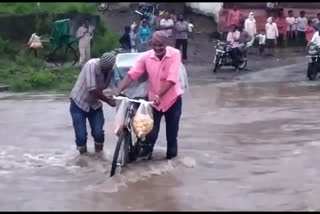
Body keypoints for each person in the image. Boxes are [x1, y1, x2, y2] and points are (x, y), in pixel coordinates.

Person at [113, 31, 183, 160]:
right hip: (153, 102)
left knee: (172, 136)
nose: (157, 48)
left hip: (172, 100)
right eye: (154, 45)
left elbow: (172, 79)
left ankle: (171, 165)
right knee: (150, 134)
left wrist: (159, 96)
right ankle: (145, 160)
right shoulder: (146, 57)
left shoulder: (175, 54)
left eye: (160, 45)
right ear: (151, 44)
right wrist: (118, 90)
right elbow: (132, 75)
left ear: (166, 44)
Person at [70, 52, 116, 155]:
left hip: (94, 104)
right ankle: (83, 160)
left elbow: (114, 87)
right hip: (79, 103)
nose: (105, 70)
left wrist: (119, 96)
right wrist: (108, 101)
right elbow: (92, 89)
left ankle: (99, 157)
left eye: (108, 68)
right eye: (104, 68)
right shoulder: (92, 65)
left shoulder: (111, 71)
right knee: (81, 136)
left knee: (98, 133)